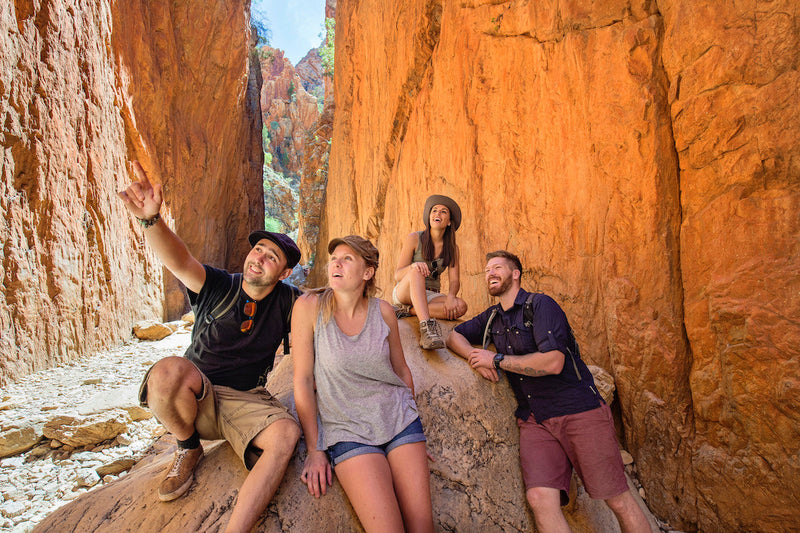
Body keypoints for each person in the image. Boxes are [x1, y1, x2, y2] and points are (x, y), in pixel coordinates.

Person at [118, 161, 302, 533]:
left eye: (271, 257)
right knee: (167, 370)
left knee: (286, 435)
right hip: (196, 395)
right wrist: (152, 221)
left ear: (283, 273)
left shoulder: (291, 301)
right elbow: (179, 260)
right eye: (258, 250)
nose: (259, 259)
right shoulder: (218, 284)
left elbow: (328, 311)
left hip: (246, 398)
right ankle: (187, 448)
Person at [446, 250, 651, 533]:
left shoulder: (541, 305)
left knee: (617, 498)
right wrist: (474, 355)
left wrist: (496, 360)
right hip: (535, 419)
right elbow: (453, 335)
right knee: (540, 497)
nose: (490, 273)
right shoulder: (493, 318)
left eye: (497, 268)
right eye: (486, 270)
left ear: (515, 274)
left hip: (578, 412)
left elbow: (554, 362)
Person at [292, 235, 434, 533]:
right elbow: (303, 380)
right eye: (334, 259)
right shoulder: (309, 307)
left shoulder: (382, 312)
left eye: (347, 259)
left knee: (423, 528)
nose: (336, 264)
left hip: (399, 422)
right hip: (348, 430)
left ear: (367, 272)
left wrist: (415, 434)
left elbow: (401, 371)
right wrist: (316, 450)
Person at [392, 194, 468, 350]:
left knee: (460, 306)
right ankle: (427, 330)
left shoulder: (452, 248)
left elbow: (454, 280)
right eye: (434, 211)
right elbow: (398, 274)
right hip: (406, 291)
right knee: (416, 271)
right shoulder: (415, 238)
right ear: (429, 217)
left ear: (449, 222)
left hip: (430, 295)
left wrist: (451, 297)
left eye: (443, 211)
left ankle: (409, 311)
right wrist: (413, 267)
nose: (437, 214)